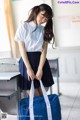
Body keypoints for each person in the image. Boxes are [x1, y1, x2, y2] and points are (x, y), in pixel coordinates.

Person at [14, 3, 55, 96]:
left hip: (40, 62)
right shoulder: (24, 26)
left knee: (43, 95)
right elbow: (22, 49)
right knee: (33, 94)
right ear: (37, 12)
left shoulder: (44, 30)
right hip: (27, 62)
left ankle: (44, 111)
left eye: (46, 19)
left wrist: (40, 69)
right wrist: (29, 68)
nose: (44, 20)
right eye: (42, 16)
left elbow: (44, 53)